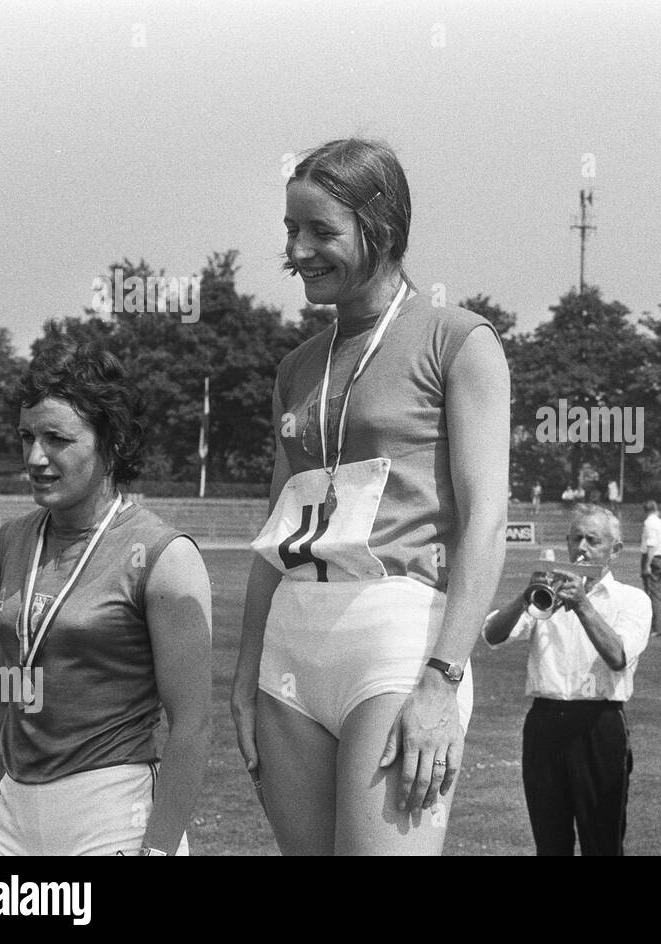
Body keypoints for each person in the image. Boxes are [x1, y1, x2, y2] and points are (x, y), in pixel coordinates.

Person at [232, 138, 510, 855]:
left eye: (321, 231)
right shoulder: (296, 367)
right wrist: (245, 673)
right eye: (291, 229)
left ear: (379, 227)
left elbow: (486, 521)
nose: (298, 250)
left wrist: (442, 681)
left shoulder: (459, 340)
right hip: (292, 644)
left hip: (398, 640)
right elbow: (275, 531)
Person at [0, 342, 212, 855]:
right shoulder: (9, 542)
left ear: (113, 441)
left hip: (113, 814)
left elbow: (191, 725)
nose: (35, 458)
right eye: (27, 436)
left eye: (57, 439)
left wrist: (158, 850)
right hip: (13, 816)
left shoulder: (164, 554)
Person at [483, 505, 650, 855]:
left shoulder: (632, 599)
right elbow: (493, 635)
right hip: (544, 722)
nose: (581, 548)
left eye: (593, 540)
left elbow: (618, 656)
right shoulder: (548, 595)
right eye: (576, 539)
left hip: (599, 724)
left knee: (602, 843)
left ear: (615, 550)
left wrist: (583, 605)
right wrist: (526, 595)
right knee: (549, 841)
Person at [640, 499, 661, 637]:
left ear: (645, 510)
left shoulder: (649, 523)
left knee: (652, 594)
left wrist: (647, 565)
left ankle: (657, 627)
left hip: (652, 559)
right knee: (656, 593)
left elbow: (651, 545)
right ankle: (657, 625)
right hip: (660, 558)